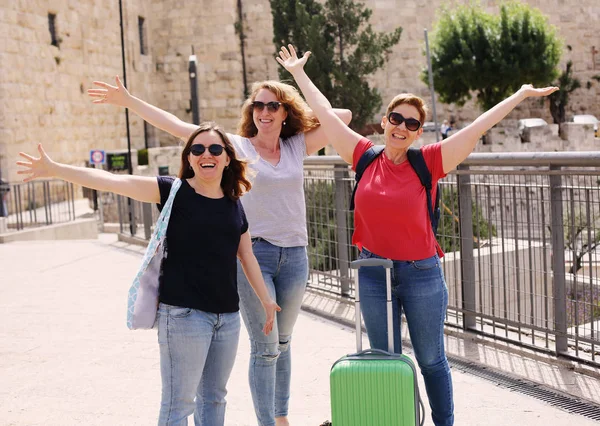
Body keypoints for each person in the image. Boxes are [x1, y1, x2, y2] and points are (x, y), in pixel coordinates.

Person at [276, 44, 558, 426]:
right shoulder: (364, 156)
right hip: (374, 273)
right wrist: (298, 73)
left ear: (418, 132)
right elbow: (325, 114)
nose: (402, 127)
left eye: (412, 123)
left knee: (430, 359)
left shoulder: (429, 162)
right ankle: (394, 420)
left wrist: (521, 94)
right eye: (397, 118)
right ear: (385, 120)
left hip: (421, 273)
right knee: (385, 359)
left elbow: (478, 127)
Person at [87, 77, 352, 426]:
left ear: (286, 111)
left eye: (273, 105)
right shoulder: (237, 146)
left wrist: (298, 77)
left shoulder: (295, 147)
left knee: (283, 342)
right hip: (255, 255)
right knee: (267, 346)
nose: (264, 112)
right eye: (258, 105)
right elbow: (179, 127)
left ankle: (281, 415)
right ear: (251, 112)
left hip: (296, 256)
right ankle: (269, 423)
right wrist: (129, 99)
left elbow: (342, 117)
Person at [16, 123, 281, 426]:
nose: (206, 154)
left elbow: (246, 254)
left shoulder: (234, 203)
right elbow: (111, 181)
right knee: (178, 406)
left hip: (227, 319)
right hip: (184, 316)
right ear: (189, 158)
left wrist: (265, 299)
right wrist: (56, 169)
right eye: (197, 149)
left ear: (226, 158)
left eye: (214, 149)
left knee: (215, 399)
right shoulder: (173, 190)